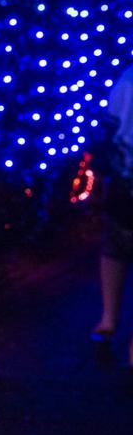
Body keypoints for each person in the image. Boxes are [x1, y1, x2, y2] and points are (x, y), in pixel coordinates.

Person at [92, 65, 133, 370]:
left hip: (123, 175)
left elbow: (110, 124)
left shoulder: (127, 77)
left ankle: (107, 321)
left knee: (116, 246)